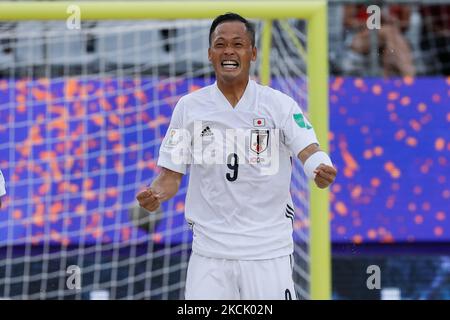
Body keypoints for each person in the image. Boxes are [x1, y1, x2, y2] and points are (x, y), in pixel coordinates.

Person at [136, 13, 336, 300]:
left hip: (268, 252)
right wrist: (154, 194)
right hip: (210, 254)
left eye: (238, 43)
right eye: (220, 44)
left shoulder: (279, 105)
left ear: (252, 53)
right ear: (209, 54)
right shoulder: (189, 108)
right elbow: (170, 176)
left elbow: (309, 150)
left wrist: (320, 167)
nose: (228, 50)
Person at [343, 4, 416, 77]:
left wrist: (395, 22)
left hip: (390, 40)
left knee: (390, 42)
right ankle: (408, 74)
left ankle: (388, 77)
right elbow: (347, 21)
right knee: (389, 32)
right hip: (360, 38)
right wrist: (372, 22)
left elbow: (406, 24)